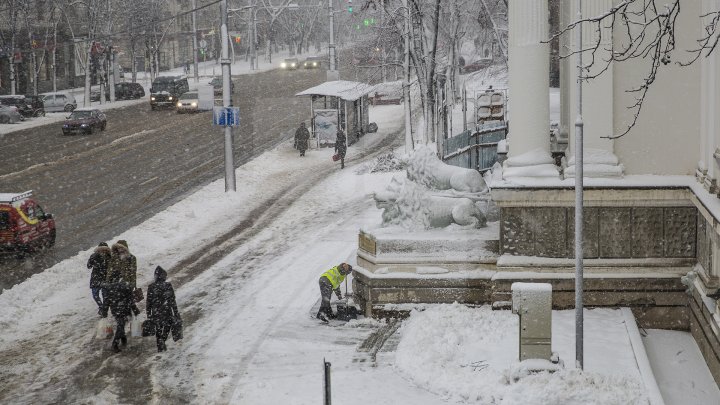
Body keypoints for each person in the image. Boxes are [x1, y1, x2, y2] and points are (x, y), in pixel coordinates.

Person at [146, 266, 182, 352]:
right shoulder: (168, 285)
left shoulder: (151, 287)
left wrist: (149, 314)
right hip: (167, 310)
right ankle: (163, 340)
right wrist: (175, 312)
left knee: (158, 328)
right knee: (167, 326)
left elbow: (148, 302)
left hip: (156, 312)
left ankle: (160, 345)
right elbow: (172, 300)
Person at [87, 242, 111, 316]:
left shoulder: (109, 256)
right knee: (98, 295)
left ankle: (102, 308)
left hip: (101, 278)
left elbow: (89, 266)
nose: (103, 252)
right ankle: (102, 307)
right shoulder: (95, 256)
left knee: (103, 295)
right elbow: (89, 266)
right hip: (98, 278)